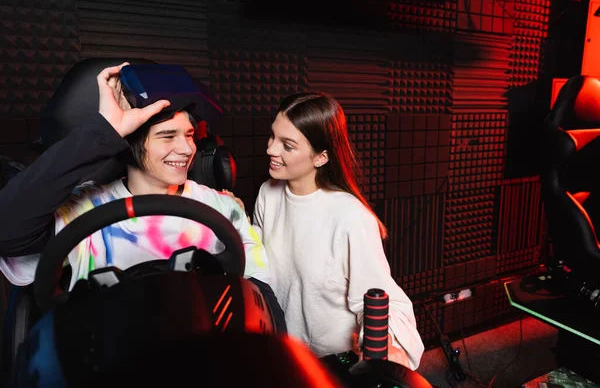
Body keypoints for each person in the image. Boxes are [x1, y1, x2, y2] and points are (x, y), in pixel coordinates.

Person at [0, 62, 285, 331]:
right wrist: (104, 132)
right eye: (167, 136)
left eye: (189, 135)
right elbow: (7, 231)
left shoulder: (222, 208)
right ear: (132, 141)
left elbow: (261, 295)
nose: (186, 149)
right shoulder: (84, 209)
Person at [226, 92, 424, 370]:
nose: (271, 150)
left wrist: (385, 345)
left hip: (335, 366)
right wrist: (238, 223)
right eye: (272, 137)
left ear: (321, 157)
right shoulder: (267, 193)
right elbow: (262, 264)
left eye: (288, 145)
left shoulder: (351, 217)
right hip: (285, 353)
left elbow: (384, 302)